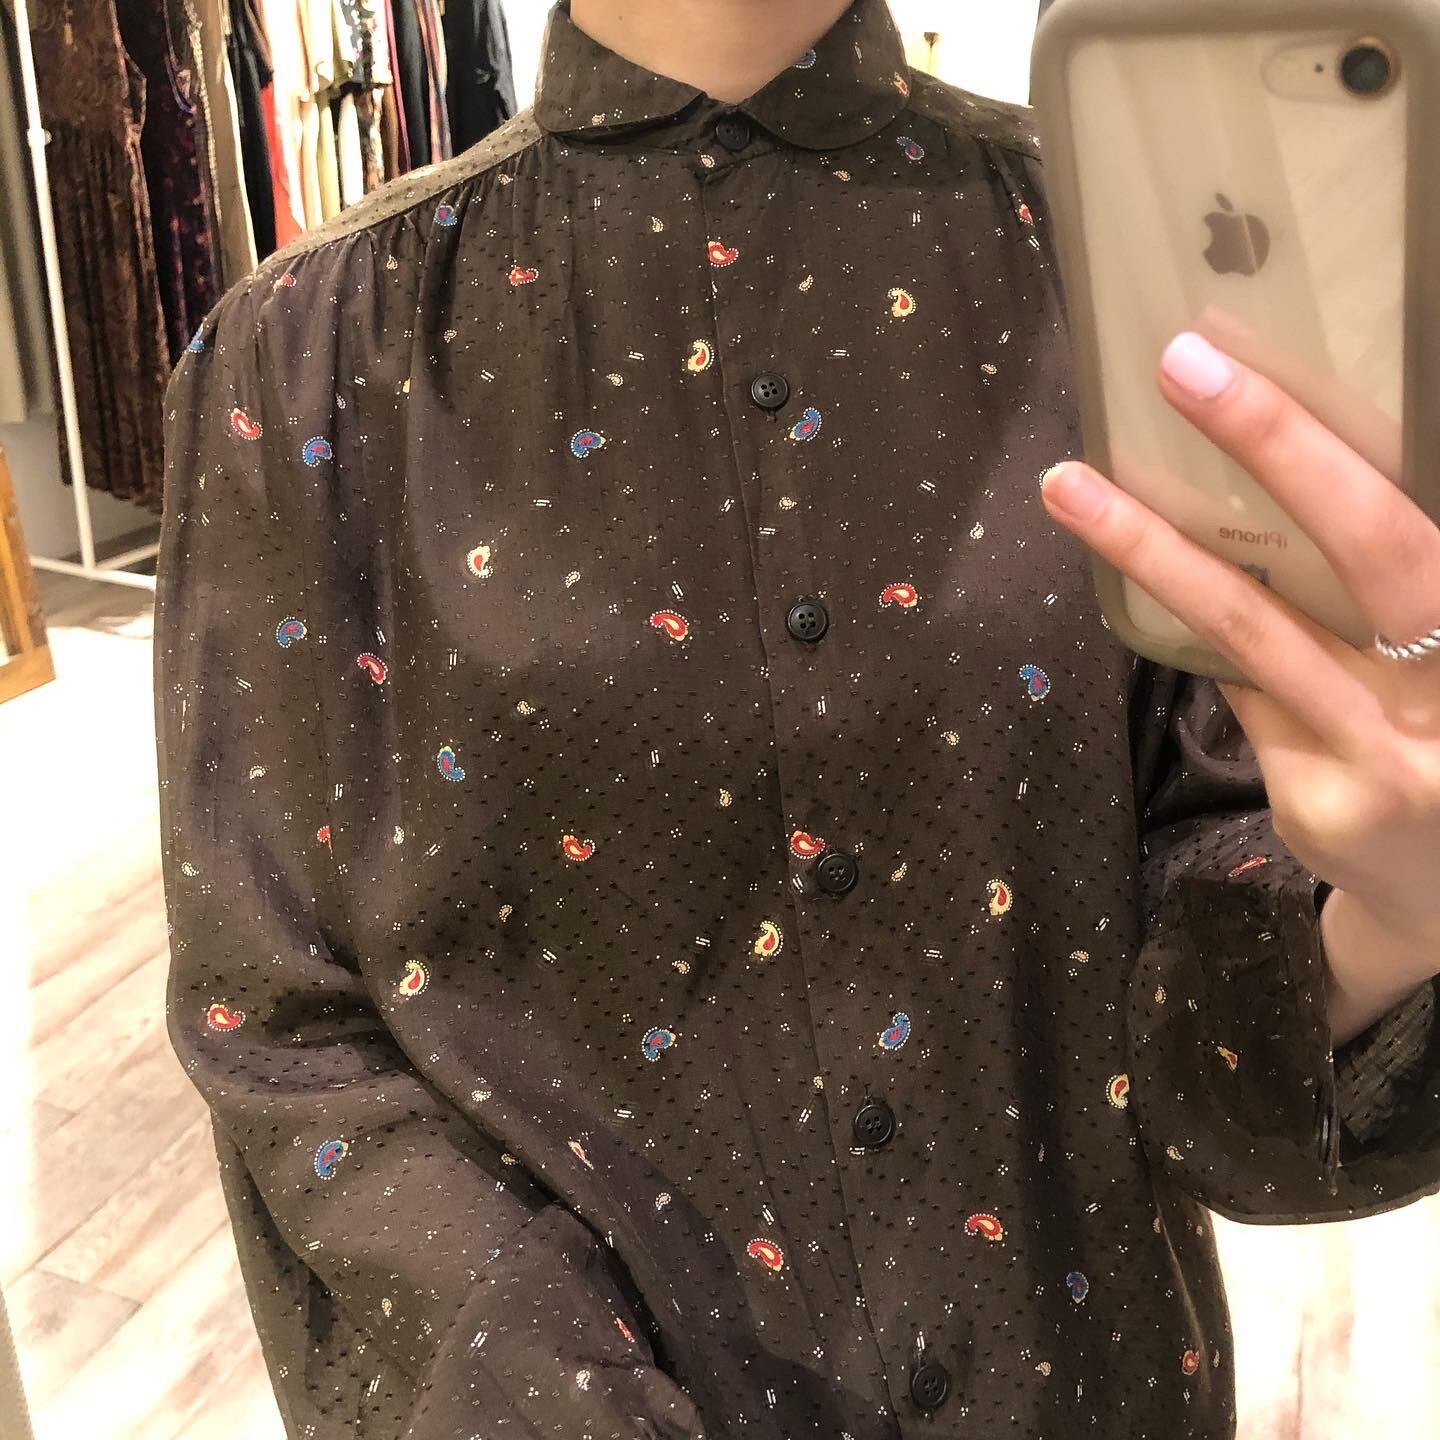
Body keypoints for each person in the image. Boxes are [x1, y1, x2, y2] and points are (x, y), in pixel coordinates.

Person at [151, 2, 1440, 1437]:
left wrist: (1395, 918)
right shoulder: (313, 357)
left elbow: (1221, 1050)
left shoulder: (1125, 275)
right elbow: (283, 1024)